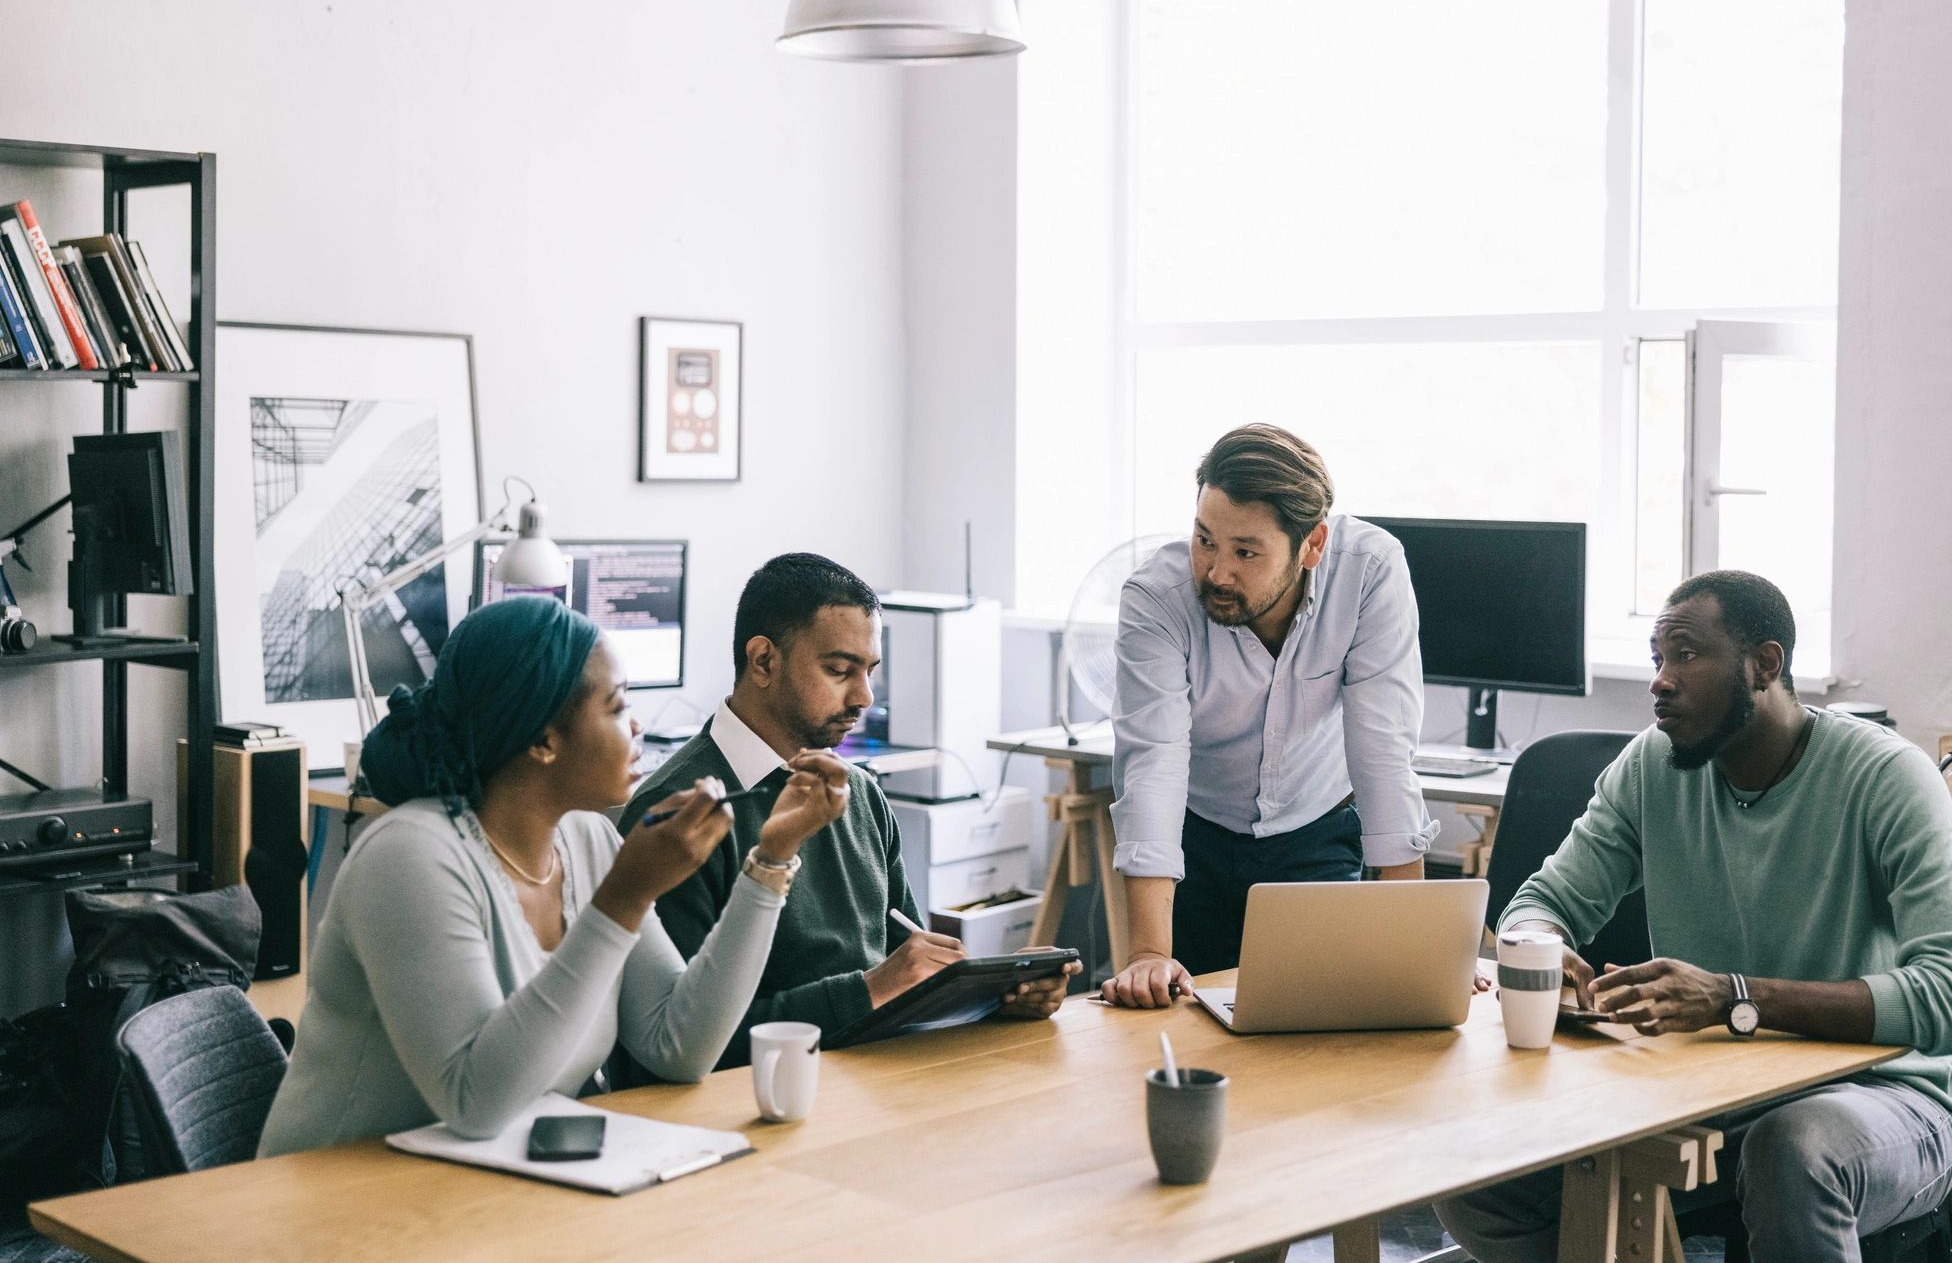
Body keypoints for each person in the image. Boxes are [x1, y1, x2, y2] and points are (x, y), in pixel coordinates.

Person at [1434, 571, 1952, 1263]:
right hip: (1704, 1095)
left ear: (1765, 664)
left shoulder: (1886, 777)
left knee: (1793, 1148)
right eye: (1656, 659)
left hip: (1885, 1100)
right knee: (1478, 1173)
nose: (1660, 681)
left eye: (1686, 654)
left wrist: (1737, 998)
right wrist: (1541, 950)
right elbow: (1540, 904)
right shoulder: (1652, 765)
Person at [258, 596, 847, 1155]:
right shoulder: (410, 857)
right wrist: (624, 897)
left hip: (483, 1194)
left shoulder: (586, 839)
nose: (638, 727)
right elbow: (474, 1101)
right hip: (338, 1201)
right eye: (617, 707)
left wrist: (770, 862)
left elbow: (679, 1044)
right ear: (544, 740)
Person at [620, 553, 1076, 1068]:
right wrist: (870, 989)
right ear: (764, 661)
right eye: (839, 670)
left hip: (876, 1083)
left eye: (870, 671)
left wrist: (994, 997)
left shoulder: (861, 795)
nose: (864, 696)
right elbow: (676, 1045)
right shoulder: (674, 816)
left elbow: (907, 975)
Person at [1102, 423, 1441, 1007]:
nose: (1215, 571)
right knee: (1178, 1029)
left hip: (1316, 830)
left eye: (1245, 552)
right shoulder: (1156, 598)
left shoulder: (1370, 571)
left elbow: (1383, 752)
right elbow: (1152, 765)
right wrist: (1149, 956)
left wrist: (1419, 948)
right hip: (1195, 837)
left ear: (1312, 546)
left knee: (1318, 1028)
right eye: (1205, 539)